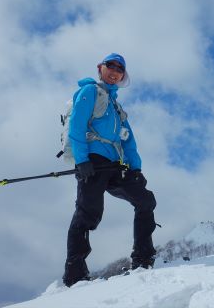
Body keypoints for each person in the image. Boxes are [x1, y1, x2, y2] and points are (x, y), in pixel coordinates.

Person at [62, 53, 157, 287]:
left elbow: (128, 141)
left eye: (119, 68)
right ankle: (75, 275)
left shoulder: (116, 105)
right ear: (100, 68)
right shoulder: (90, 92)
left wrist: (136, 169)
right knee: (88, 214)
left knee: (145, 201)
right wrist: (82, 160)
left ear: (123, 75)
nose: (114, 71)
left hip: (116, 165)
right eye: (110, 66)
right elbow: (76, 124)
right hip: (92, 162)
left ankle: (143, 258)